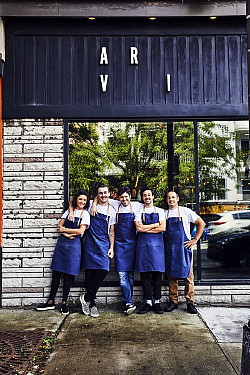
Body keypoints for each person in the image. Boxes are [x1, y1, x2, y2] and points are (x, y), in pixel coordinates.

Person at [36, 189, 90, 315]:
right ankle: (50, 301)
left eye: (84, 200)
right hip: (62, 244)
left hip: (74, 247)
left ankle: (64, 303)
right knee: (56, 273)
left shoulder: (85, 214)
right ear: (76, 199)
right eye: (80, 199)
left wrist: (66, 230)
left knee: (68, 275)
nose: (82, 201)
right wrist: (66, 233)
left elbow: (80, 231)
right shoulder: (68, 211)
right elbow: (59, 227)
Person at [164, 191, 205, 314]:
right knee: (171, 277)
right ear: (166, 200)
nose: (171, 200)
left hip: (184, 248)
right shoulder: (164, 213)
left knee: (188, 276)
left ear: (177, 199)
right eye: (168, 198)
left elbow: (201, 223)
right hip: (170, 249)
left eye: (173, 197)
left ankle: (190, 302)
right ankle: (173, 301)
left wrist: (195, 240)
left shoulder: (185, 211)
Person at [80, 185, 116, 318]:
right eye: (100, 193)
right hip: (90, 242)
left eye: (105, 193)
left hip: (103, 243)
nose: (103, 196)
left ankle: (86, 297)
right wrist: (93, 203)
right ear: (97, 195)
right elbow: (74, 203)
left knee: (103, 269)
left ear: (109, 194)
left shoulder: (112, 210)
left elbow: (112, 232)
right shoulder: (90, 206)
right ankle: (92, 304)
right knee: (90, 274)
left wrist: (111, 248)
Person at [135, 187, 166, 314]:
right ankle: (148, 302)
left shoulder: (160, 211)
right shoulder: (138, 211)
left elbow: (163, 227)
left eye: (149, 195)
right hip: (143, 247)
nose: (147, 197)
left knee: (158, 275)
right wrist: (154, 225)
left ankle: (157, 302)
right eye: (144, 195)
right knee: (145, 275)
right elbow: (139, 229)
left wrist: (146, 227)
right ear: (142, 198)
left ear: (153, 197)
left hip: (157, 247)